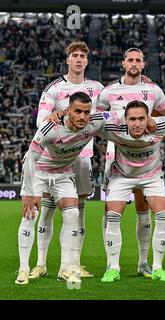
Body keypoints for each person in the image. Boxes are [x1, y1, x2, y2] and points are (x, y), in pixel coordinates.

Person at [99, 101, 165, 283]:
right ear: (125, 120)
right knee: (113, 216)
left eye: (142, 118)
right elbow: (87, 120)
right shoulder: (112, 129)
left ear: (148, 118)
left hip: (151, 176)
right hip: (122, 176)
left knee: (163, 215)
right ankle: (113, 268)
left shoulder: (161, 125)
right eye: (132, 119)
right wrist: (61, 114)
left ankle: (157, 267)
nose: (137, 123)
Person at [29, 41, 104, 280]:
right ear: (68, 60)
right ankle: (40, 263)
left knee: (77, 211)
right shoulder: (54, 88)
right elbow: (42, 121)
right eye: (75, 55)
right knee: (49, 209)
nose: (79, 59)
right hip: (56, 156)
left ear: (87, 61)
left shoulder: (97, 88)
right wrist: (57, 115)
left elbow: (113, 111)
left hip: (82, 156)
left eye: (83, 55)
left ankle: (74, 262)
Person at [97, 47, 165, 278]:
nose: (134, 63)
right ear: (123, 63)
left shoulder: (153, 89)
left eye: (138, 60)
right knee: (111, 209)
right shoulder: (109, 91)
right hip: (117, 148)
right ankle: (112, 265)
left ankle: (144, 263)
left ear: (143, 64)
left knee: (143, 208)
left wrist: (153, 122)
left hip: (146, 149)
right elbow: (95, 118)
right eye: (130, 59)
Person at [17, 92, 106, 285]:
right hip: (39, 169)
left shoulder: (94, 123)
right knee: (30, 215)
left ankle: (65, 268)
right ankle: (23, 269)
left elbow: (118, 115)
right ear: (68, 110)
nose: (83, 117)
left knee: (73, 214)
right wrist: (29, 192)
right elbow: (31, 159)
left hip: (63, 171)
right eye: (78, 111)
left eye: (86, 112)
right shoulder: (51, 127)